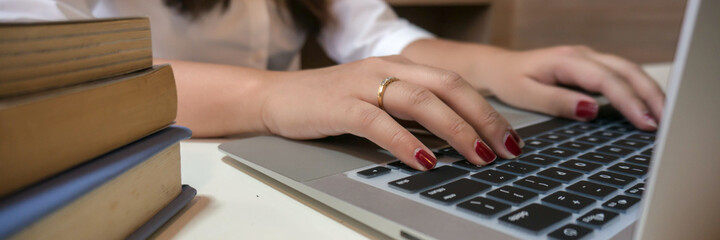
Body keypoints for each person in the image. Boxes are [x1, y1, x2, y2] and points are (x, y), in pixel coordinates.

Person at [1, 0, 664, 171]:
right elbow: (50, 73)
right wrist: (269, 95)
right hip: (159, 165)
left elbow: (375, 35)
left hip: (282, 153)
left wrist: (489, 65)